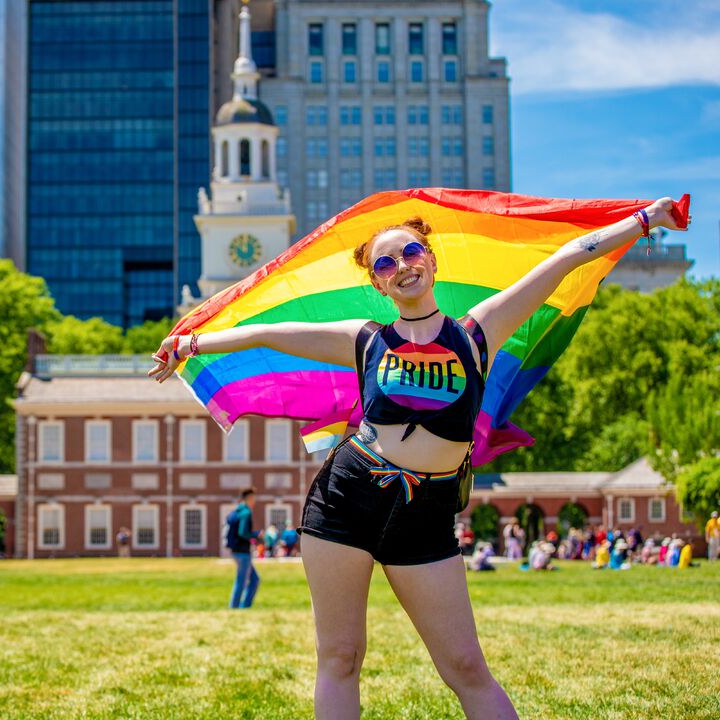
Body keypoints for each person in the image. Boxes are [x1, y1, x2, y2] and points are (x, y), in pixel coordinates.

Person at [149, 198, 685, 719]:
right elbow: (270, 333)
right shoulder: (367, 340)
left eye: (409, 253)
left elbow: (566, 259)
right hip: (346, 500)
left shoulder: (477, 333)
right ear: (378, 282)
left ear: (430, 258)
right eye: (385, 264)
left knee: (465, 666)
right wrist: (191, 344)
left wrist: (643, 221)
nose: (401, 267)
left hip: (427, 515)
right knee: (340, 657)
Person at [224, 487, 260, 609]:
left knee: (254, 580)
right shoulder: (246, 512)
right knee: (241, 581)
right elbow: (243, 532)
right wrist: (257, 534)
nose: (255, 501)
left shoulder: (236, 511)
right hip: (243, 552)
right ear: (249, 497)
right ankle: (235, 607)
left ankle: (245, 606)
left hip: (236, 551)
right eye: (254, 498)